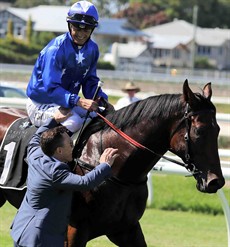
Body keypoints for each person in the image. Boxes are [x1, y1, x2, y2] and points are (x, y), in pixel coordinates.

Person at [11, 108, 119, 247]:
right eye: (70, 144)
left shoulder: (36, 153)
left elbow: (35, 138)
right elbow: (85, 182)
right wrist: (104, 165)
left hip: (22, 230)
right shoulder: (54, 171)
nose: (72, 147)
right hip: (39, 237)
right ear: (59, 150)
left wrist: (54, 120)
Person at [26, 0, 109, 133]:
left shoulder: (93, 49)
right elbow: (51, 88)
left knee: (99, 116)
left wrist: (102, 100)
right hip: (41, 103)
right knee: (74, 122)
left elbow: (89, 81)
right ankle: (38, 150)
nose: (81, 34)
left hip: (67, 103)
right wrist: (78, 101)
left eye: (86, 29)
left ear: (92, 29)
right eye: (77, 28)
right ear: (70, 25)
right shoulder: (55, 49)